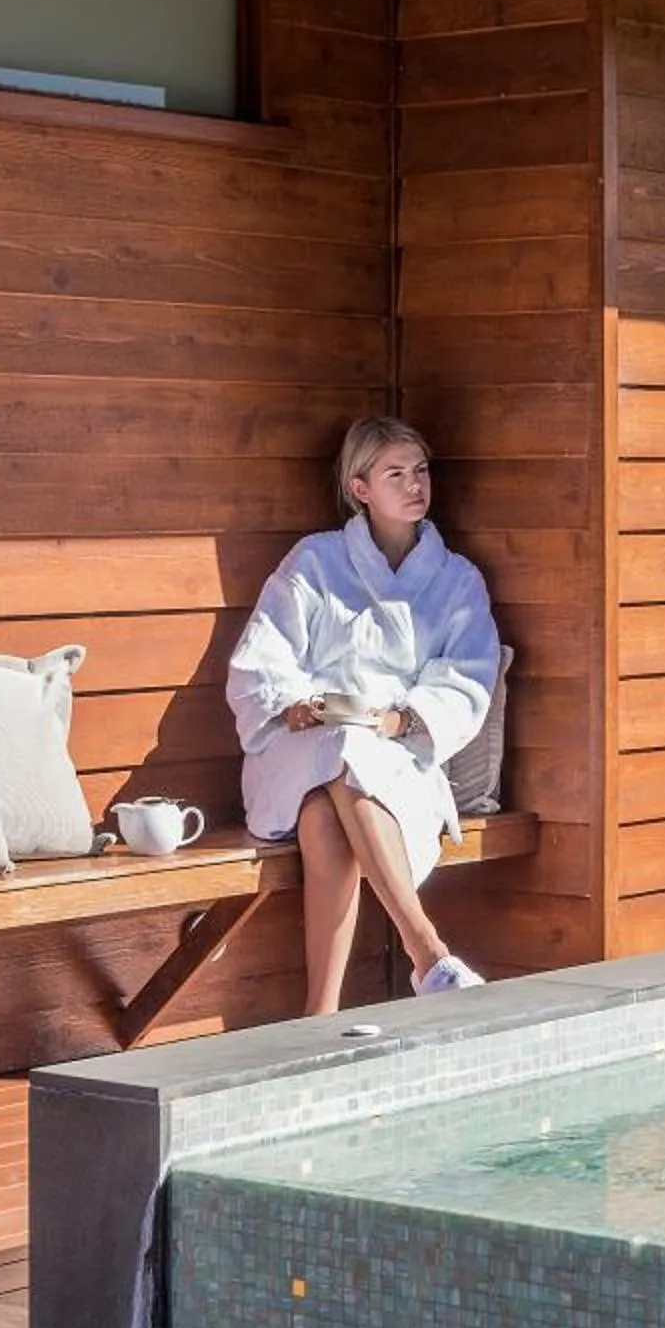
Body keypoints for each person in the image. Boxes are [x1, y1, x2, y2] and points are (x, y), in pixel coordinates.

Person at [227, 416, 501, 1010]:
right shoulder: (315, 561)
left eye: (420, 470)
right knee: (343, 750)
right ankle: (427, 952)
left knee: (325, 818)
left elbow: (467, 678)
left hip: (398, 752)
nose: (415, 485)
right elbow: (263, 655)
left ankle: (318, 1014)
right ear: (360, 488)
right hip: (300, 748)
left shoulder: (456, 579)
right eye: (395, 474)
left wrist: (404, 720)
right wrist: (294, 705)